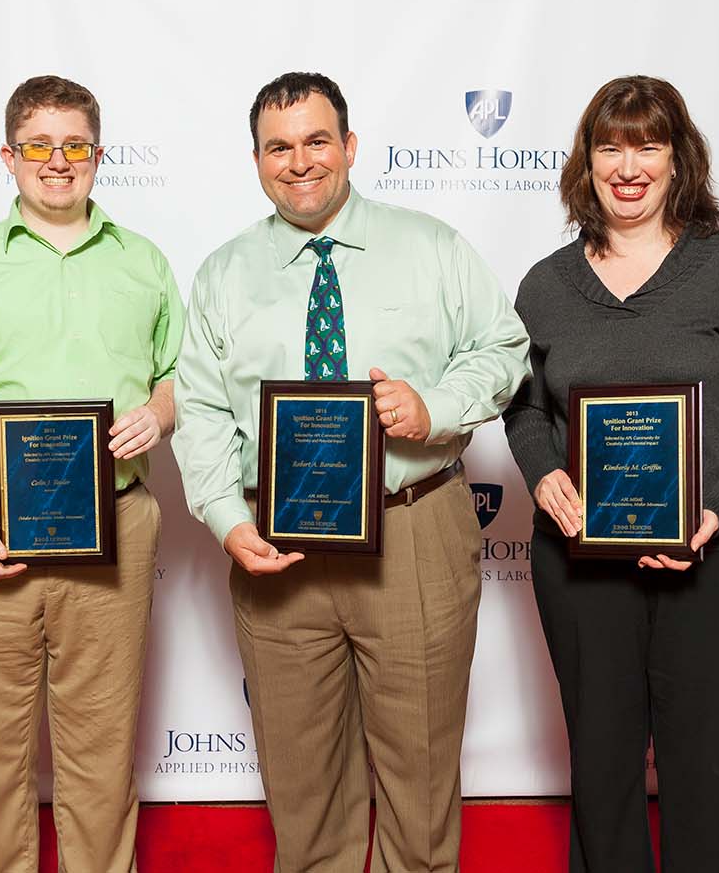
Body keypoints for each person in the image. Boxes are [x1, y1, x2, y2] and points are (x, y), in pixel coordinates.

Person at [172, 71, 530, 872]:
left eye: (316, 140)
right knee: (303, 787)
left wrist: (432, 406)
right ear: (257, 160)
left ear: (350, 146)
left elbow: (504, 349)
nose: (299, 162)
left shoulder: (431, 246)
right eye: (279, 147)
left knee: (421, 771)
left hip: (412, 530)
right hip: (277, 542)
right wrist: (229, 518)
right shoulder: (225, 273)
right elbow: (198, 412)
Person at [502, 75, 719, 873]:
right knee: (603, 775)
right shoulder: (544, 286)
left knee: (707, 774)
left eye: (648, 144)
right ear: (588, 161)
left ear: (680, 160)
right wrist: (540, 475)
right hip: (582, 563)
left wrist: (715, 510)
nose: (628, 165)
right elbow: (524, 409)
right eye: (611, 146)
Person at [0, 75, 184, 873]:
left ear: (99, 154)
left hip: (112, 530)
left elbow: (176, 378)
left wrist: (157, 415)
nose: (57, 162)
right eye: (38, 145)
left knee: (101, 757)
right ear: (8, 156)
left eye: (75, 146)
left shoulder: (145, 262)